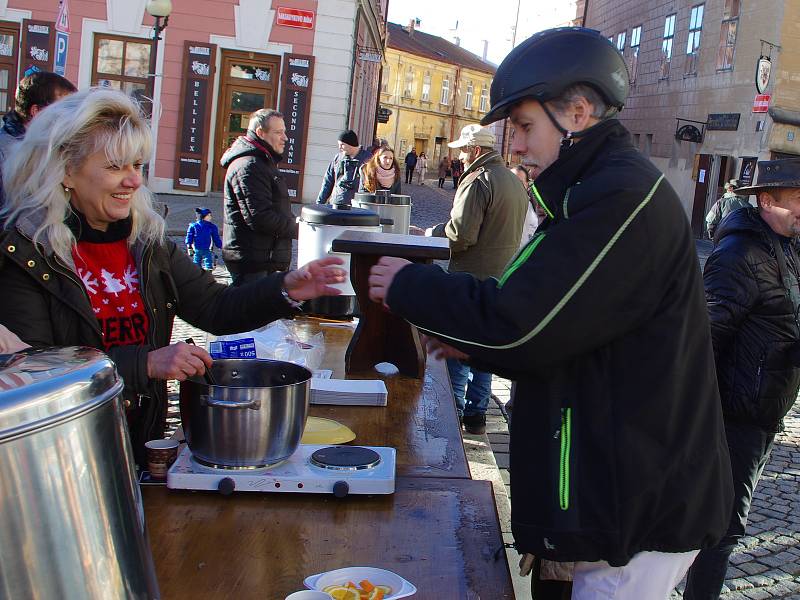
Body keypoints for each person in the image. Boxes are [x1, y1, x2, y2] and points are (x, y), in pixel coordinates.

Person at [367, 27, 733, 599]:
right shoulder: (590, 190)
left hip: (637, 506)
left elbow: (520, 323)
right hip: (615, 491)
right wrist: (473, 341)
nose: (513, 145)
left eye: (524, 126)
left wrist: (408, 286)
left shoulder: (619, 197)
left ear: (579, 112)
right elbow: (565, 327)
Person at [0, 89, 345, 467]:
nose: (133, 181)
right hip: (61, 459)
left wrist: (285, 288)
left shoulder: (146, 242)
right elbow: (34, 377)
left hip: (135, 445)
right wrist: (146, 364)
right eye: (116, 167)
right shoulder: (26, 253)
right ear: (65, 169)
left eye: (137, 166)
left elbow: (215, 307)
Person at [683, 160, 800, 599]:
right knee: (722, 528)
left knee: (726, 524)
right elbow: (703, 341)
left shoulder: (787, 245)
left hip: (765, 410)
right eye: (798, 200)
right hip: (734, 417)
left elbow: (782, 320)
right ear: (766, 200)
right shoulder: (740, 255)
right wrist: (699, 421)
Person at [424, 123, 527, 434]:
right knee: (484, 354)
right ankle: (476, 415)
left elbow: (461, 234)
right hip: (500, 278)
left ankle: (453, 417)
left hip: (470, 280)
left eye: (464, 151)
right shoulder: (511, 179)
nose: (460, 158)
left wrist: (433, 233)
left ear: (477, 151)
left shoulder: (477, 180)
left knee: (458, 352)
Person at [221, 109, 298, 286]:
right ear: (260, 133)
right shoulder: (250, 165)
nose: (285, 138)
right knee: (250, 312)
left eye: (284, 132)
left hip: (262, 258)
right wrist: (298, 228)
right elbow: (260, 217)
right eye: (278, 132)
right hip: (253, 262)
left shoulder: (262, 161)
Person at [0, 71, 76, 206]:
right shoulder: (5, 154)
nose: (71, 118)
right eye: (64, 110)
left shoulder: (58, 148)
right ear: (37, 112)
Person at [316, 129, 372, 205]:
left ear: (351, 144)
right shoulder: (338, 158)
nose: (340, 148)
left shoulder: (368, 159)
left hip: (356, 208)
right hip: (335, 205)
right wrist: (319, 203)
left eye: (342, 144)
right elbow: (328, 181)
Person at [510, 165, 540, 249]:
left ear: (527, 184)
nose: (515, 186)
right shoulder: (499, 204)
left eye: (520, 182)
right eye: (511, 181)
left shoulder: (535, 205)